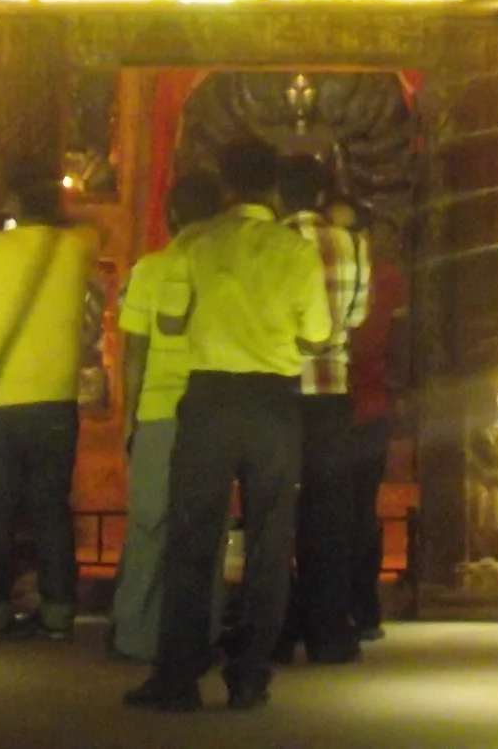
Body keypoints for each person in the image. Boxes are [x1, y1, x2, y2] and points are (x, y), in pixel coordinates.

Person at [123, 137, 330, 713]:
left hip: (209, 397)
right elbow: (317, 336)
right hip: (272, 403)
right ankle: (250, 677)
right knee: (269, 539)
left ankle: (177, 676)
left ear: (228, 183)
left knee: (192, 538)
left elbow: (167, 323)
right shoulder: (296, 251)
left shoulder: (196, 241)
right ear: (272, 187)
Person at [0, 152, 101, 640]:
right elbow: (91, 227)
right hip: (56, 397)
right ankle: (59, 609)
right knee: (50, 508)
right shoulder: (76, 246)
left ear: (13, 199)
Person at [107, 168, 224, 663]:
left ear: (171, 216)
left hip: (158, 408)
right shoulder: (225, 271)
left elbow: (134, 351)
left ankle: (136, 632)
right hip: (213, 411)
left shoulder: (150, 270)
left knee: (149, 523)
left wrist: (129, 417)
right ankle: (202, 633)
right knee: (206, 528)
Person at [274, 156, 368, 665]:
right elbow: (357, 313)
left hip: (280, 390)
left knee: (276, 513)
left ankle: (278, 629)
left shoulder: (270, 244)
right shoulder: (350, 243)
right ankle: (329, 631)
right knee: (328, 516)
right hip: (332, 390)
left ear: (280, 194)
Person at [342, 205, 406, 640]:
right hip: (335, 405)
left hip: (366, 407)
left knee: (359, 511)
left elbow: (401, 344)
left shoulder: (387, 279)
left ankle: (362, 609)